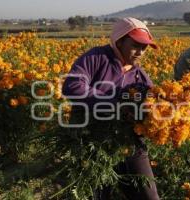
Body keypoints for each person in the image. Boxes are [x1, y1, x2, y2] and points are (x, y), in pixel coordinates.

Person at [62, 17, 160, 200]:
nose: (140, 52)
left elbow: (151, 106)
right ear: (120, 40)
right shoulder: (97, 58)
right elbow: (72, 85)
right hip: (92, 139)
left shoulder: (140, 76)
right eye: (136, 45)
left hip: (127, 143)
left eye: (144, 47)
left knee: (148, 195)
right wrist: (113, 103)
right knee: (96, 194)